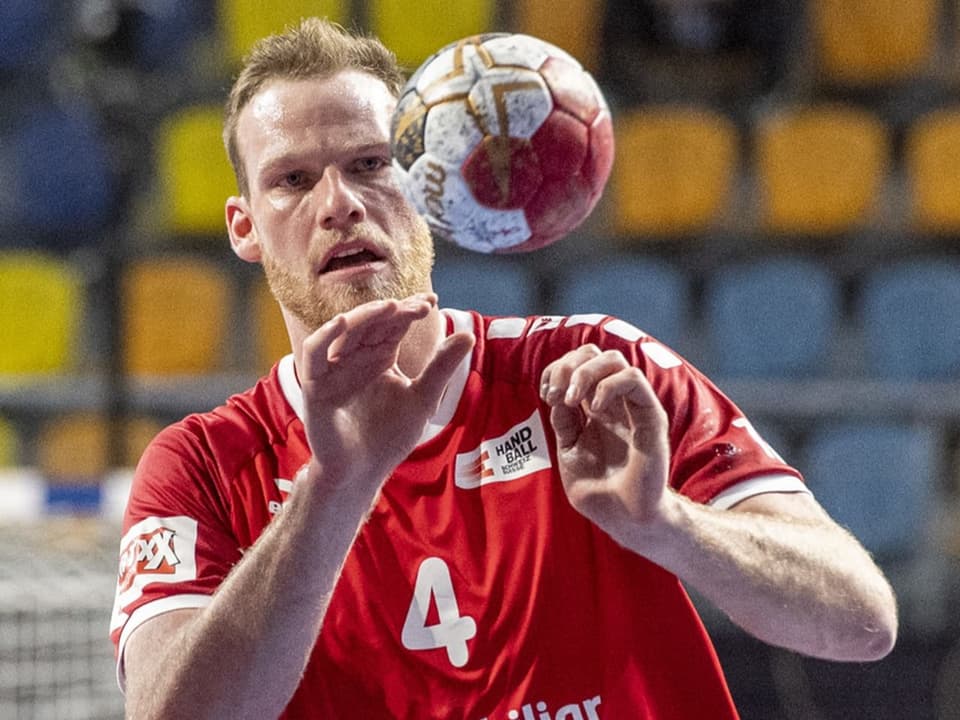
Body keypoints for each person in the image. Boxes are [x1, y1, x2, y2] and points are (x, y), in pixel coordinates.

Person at [110, 17, 897, 720]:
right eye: (292, 179)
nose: (338, 202)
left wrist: (669, 525)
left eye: (371, 163)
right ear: (245, 228)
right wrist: (338, 484)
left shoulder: (594, 371)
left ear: (427, 187)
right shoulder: (203, 465)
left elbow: (863, 622)